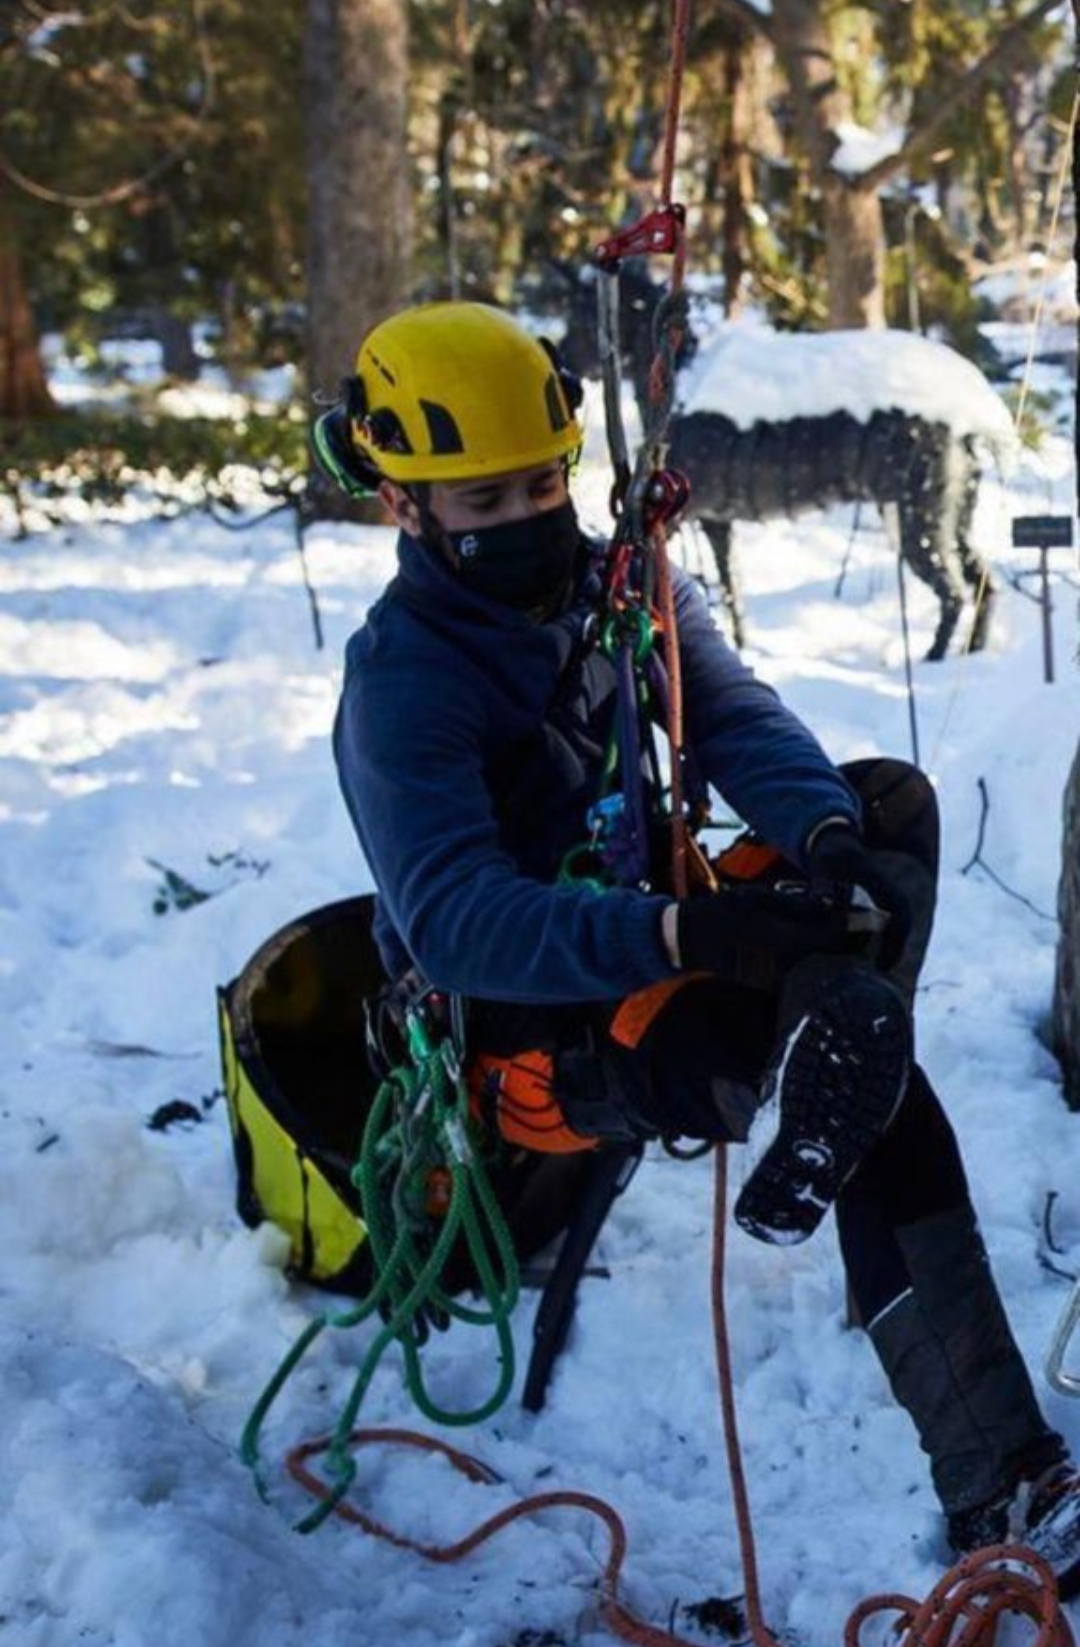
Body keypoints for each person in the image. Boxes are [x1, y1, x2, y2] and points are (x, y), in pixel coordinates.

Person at [318, 299, 1080, 1588]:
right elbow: (456, 924)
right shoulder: (404, 682)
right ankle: (1000, 1488)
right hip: (543, 1040)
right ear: (407, 507)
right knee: (885, 1103)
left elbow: (732, 711)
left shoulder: (622, 586)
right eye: (485, 502)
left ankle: (834, 1056)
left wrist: (826, 846)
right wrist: (693, 931)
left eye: (543, 484)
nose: (527, 520)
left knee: (886, 804)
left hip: (668, 930)